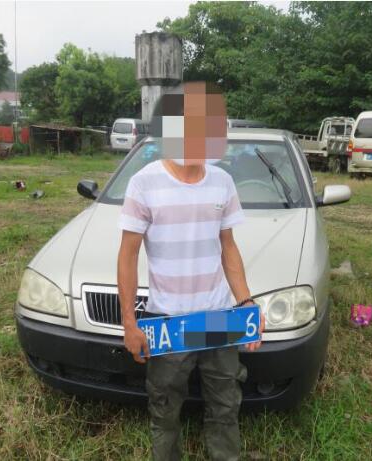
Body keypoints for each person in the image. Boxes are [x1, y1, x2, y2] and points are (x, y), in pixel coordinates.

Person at [117, 81, 265, 461]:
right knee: (164, 410)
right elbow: (127, 256)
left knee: (225, 406)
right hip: (168, 323)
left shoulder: (222, 182)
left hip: (217, 320)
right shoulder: (143, 183)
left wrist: (246, 303)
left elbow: (228, 247)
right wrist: (130, 323)